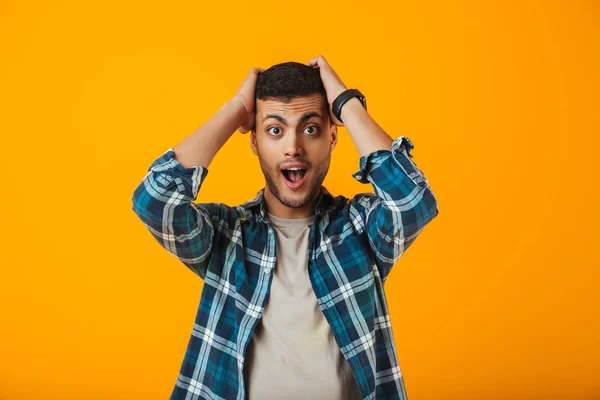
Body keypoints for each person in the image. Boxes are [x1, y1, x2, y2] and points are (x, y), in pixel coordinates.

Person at [132, 55, 439, 400]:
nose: (293, 147)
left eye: (310, 129)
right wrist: (236, 110)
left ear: (332, 138)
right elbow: (154, 201)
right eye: (275, 130)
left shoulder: (360, 229)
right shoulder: (227, 234)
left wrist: (345, 101)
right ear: (254, 141)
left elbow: (413, 201)